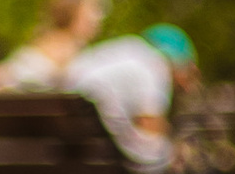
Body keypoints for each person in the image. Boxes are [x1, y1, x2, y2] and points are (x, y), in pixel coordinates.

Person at [69, 21, 193, 161]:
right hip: (105, 157)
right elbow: (150, 126)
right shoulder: (153, 63)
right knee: (167, 153)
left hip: (72, 148)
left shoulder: (118, 51)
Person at [0, 0, 108, 89]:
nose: (96, 20)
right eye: (87, 16)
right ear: (71, 16)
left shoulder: (81, 51)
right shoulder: (41, 53)